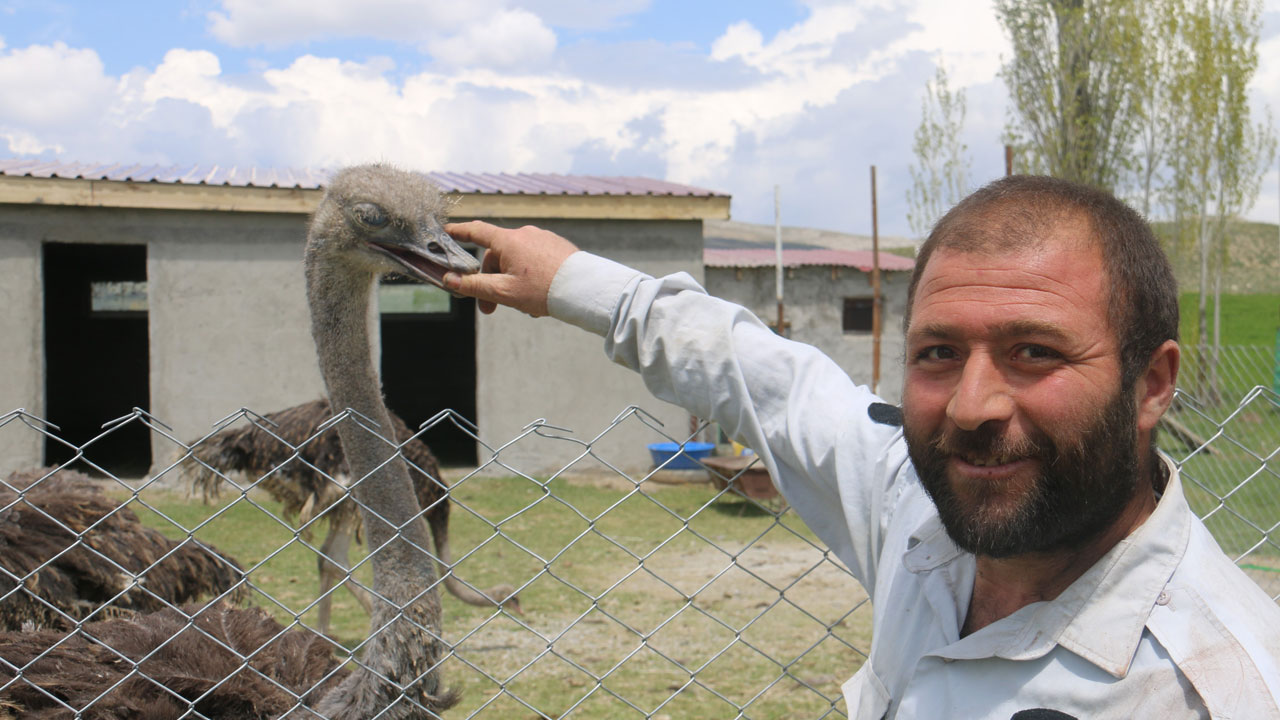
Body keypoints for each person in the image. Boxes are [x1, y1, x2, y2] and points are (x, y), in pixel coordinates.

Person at [444, 175, 1280, 719]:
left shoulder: (1211, 690)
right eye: (937, 353)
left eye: (1036, 353)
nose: (971, 406)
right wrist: (575, 283)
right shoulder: (919, 515)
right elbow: (770, 379)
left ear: (1153, 384)